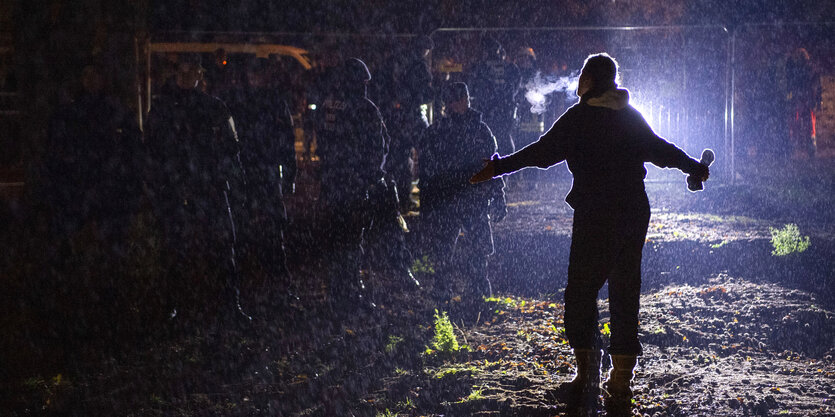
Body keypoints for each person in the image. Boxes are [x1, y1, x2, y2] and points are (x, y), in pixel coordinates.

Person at [470, 53, 710, 411]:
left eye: (583, 75)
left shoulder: (579, 118)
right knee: (625, 291)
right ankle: (620, 383)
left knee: (581, 293)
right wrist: (695, 167)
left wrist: (499, 167)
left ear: (589, 81)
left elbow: (541, 153)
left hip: (596, 214)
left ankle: (587, 375)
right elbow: (662, 150)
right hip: (632, 212)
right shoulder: (630, 118)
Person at [144, 53, 247, 324]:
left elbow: (232, 147)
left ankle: (227, 304)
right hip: (177, 190)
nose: (187, 77)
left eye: (192, 72)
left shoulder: (215, 107)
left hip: (209, 187)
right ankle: (174, 306)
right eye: (182, 72)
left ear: (200, 75)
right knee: (175, 250)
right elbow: (151, 151)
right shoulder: (164, 108)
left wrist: (222, 173)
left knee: (223, 248)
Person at [421, 82, 506, 304]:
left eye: (463, 99)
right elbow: (427, 172)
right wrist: (427, 202)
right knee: (443, 249)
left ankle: (477, 290)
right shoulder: (439, 132)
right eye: (457, 100)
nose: (461, 103)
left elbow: (492, 163)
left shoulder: (478, 130)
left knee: (477, 248)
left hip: (471, 198)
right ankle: (444, 290)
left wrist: (499, 195)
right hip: (449, 199)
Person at [315, 57, 389, 312]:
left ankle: (335, 292)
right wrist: (371, 176)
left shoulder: (328, 104)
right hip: (354, 183)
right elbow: (379, 146)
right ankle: (350, 294)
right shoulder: (365, 108)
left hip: (330, 180)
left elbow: (321, 139)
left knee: (334, 237)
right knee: (352, 238)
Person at [229, 57, 297, 305]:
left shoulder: (258, 101)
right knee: (257, 230)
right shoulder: (260, 101)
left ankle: (269, 285)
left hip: (261, 172)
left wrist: (290, 172)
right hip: (254, 171)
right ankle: (265, 286)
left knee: (268, 229)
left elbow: (287, 140)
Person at [372, 35, 435, 212]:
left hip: (393, 117)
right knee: (428, 151)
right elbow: (427, 93)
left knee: (397, 159)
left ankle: (396, 199)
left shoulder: (394, 61)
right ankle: (423, 196)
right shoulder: (419, 66)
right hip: (411, 115)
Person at [468, 36, 521, 156]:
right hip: (505, 111)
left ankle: (489, 169)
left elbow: (471, 88)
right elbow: (516, 86)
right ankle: (506, 169)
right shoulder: (510, 68)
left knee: (485, 140)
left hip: (486, 110)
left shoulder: (479, 68)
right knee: (505, 139)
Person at [785, 48, 820, 160]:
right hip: (802, 96)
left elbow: (815, 83)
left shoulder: (805, 68)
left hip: (804, 96)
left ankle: (805, 144)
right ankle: (798, 144)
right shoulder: (804, 68)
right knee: (799, 119)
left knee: (806, 120)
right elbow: (815, 82)